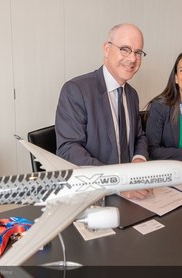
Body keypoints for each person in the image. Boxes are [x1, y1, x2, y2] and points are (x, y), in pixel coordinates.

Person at [55, 23, 150, 199]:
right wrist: (118, 183)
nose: (132, 59)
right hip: (93, 196)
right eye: (125, 49)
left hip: (131, 194)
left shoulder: (131, 94)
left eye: (138, 52)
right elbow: (68, 150)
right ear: (107, 49)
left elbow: (139, 137)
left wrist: (139, 160)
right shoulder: (76, 90)